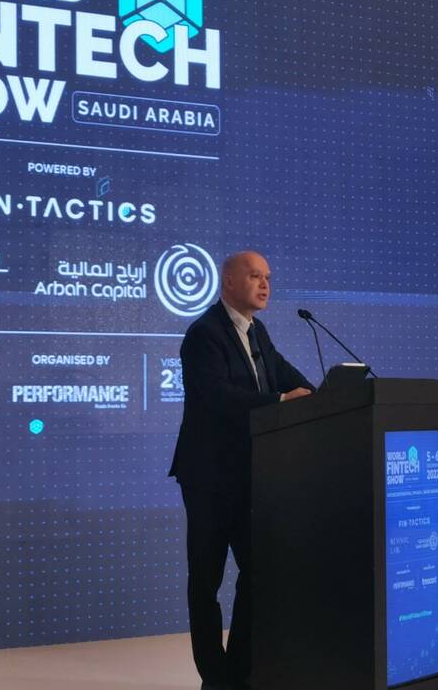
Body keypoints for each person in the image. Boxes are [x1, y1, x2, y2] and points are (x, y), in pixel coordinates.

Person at [169, 250, 314, 690]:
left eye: (267, 277)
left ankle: (241, 672)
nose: (265, 284)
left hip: (253, 474)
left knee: (259, 573)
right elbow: (219, 398)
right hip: (210, 477)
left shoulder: (258, 332)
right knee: (206, 581)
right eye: (255, 276)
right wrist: (281, 401)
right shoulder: (204, 334)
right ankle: (215, 679)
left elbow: (288, 376)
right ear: (229, 281)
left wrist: (327, 396)